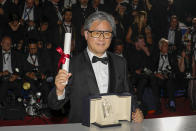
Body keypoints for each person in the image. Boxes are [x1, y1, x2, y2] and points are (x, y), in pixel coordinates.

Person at [48, 11, 143, 123]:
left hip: (114, 126)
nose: (102, 38)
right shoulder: (72, 64)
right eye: (97, 33)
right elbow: (54, 105)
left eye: (107, 33)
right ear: (86, 34)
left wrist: (136, 110)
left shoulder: (120, 62)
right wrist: (59, 91)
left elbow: (128, 93)